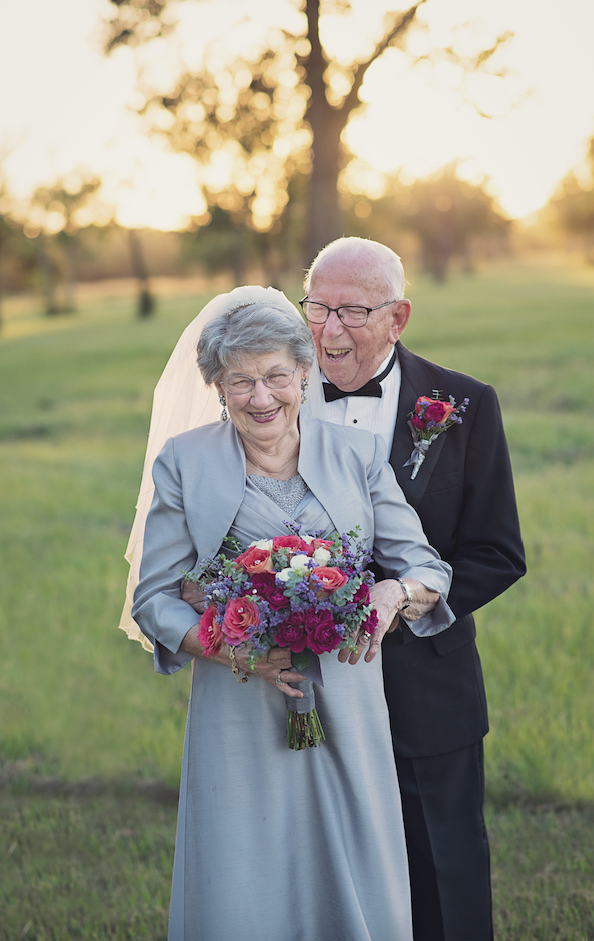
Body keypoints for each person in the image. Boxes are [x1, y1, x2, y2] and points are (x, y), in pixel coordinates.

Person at [123, 286, 455, 941]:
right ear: (218, 386)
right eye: (240, 380)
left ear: (305, 372)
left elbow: (427, 570)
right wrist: (230, 648)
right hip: (240, 703)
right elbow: (154, 598)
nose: (261, 396)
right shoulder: (184, 463)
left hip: (351, 700)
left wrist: (390, 596)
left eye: (276, 375)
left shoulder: (357, 456)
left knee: (357, 867)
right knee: (247, 872)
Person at [301, 237, 527, 941]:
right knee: (321, 863)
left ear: (398, 317)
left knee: (442, 867)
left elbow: (498, 551)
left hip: (428, 684)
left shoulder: (463, 404)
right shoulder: (275, 395)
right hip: (307, 683)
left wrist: (407, 597)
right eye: (317, 308)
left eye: (352, 311)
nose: (329, 330)